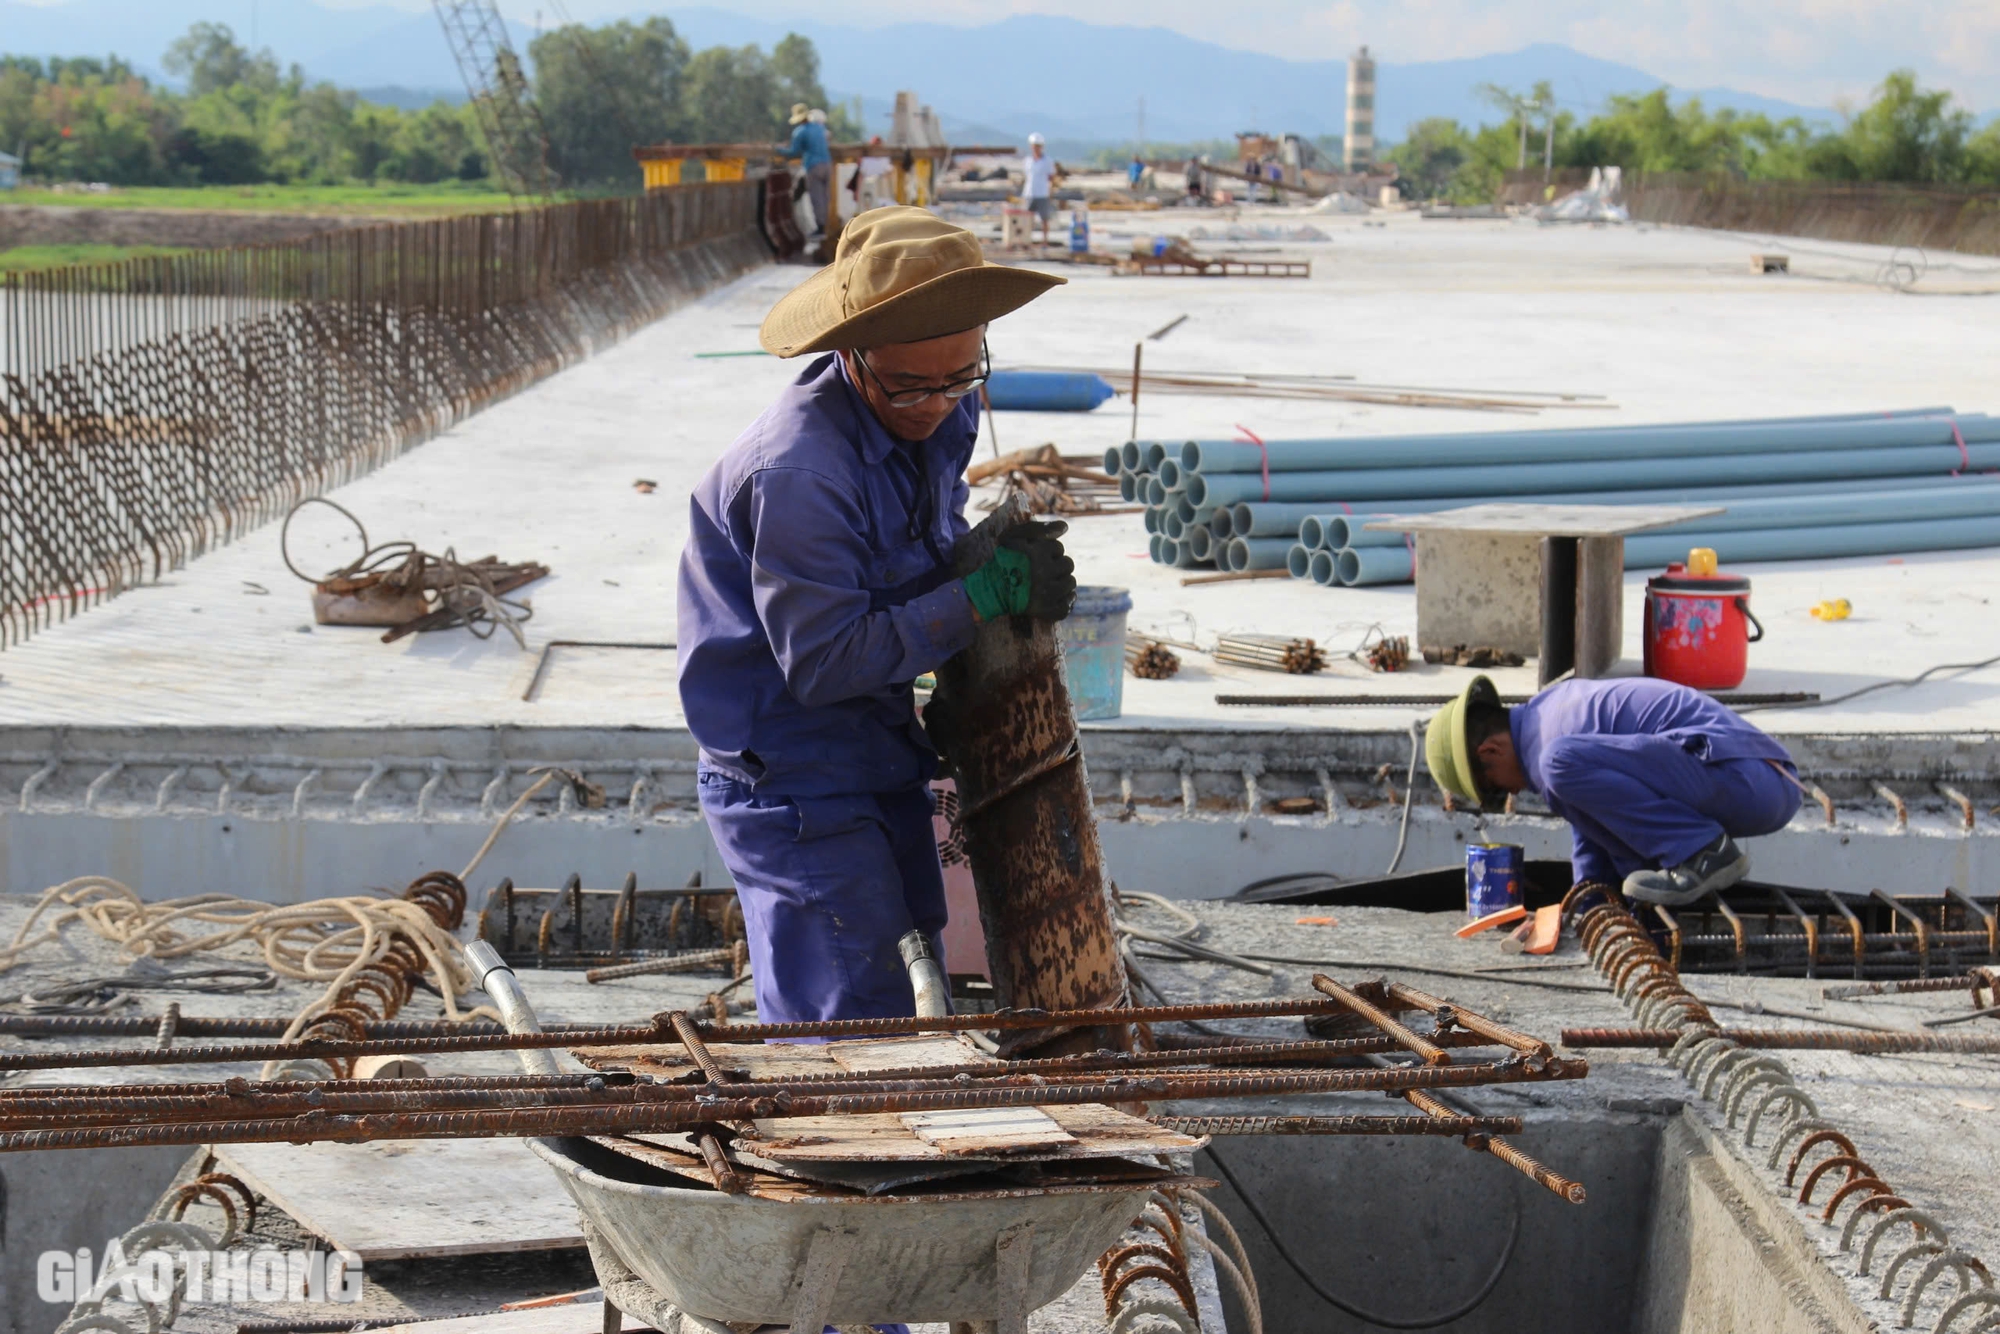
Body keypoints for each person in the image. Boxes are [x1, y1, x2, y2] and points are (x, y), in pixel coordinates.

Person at [677, 208, 1077, 1028]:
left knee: (914, 968)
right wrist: (980, 597)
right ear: (851, 355)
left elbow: (920, 545)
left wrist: (990, 555)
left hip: (877, 748)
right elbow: (823, 663)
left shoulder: (945, 405)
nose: (936, 405)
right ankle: (836, 1156)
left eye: (960, 376)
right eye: (909, 385)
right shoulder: (799, 476)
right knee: (855, 1024)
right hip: (790, 779)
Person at [1425, 676, 1803, 906]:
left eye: (1494, 790)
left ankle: (1704, 853)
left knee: (1559, 763)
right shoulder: (1548, 718)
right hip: (1752, 778)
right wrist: (1589, 900)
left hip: (1748, 778)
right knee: (1562, 765)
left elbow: (1594, 814)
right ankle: (1692, 852)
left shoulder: (1553, 752)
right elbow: (1594, 820)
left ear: (1490, 751)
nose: (1512, 793)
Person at [779, 102, 832, 235]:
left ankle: (820, 228)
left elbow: (793, 152)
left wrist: (779, 150)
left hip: (813, 166)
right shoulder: (820, 128)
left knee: (817, 198)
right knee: (825, 197)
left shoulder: (800, 132)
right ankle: (827, 225)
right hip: (827, 164)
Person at [1022, 132, 1057, 246]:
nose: (1036, 148)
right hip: (1029, 193)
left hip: (1042, 193)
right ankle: (1027, 240)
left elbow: (1051, 177)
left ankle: (1045, 241)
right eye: (1034, 146)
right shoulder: (1027, 160)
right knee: (1027, 219)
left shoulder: (1048, 161)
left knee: (1044, 219)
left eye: (1038, 146)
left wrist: (1050, 190)